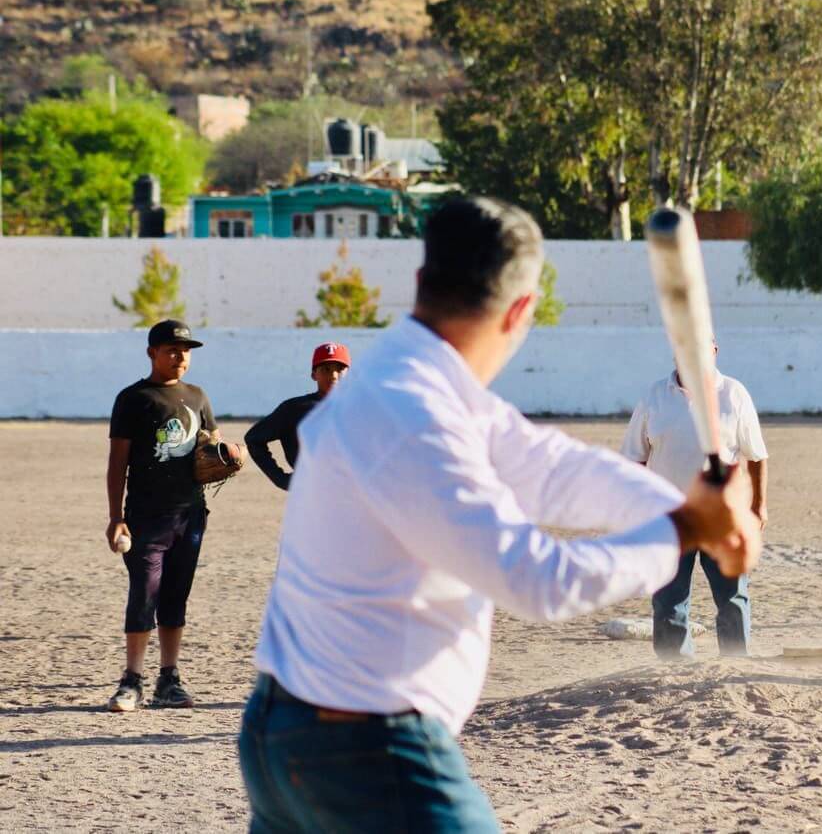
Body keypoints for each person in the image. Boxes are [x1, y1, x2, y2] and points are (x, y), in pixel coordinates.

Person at [237, 197, 761, 832]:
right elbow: (540, 580)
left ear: (422, 283)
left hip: (289, 730)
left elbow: (552, 468)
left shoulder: (410, 379)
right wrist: (686, 531)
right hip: (365, 746)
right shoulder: (414, 412)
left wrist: (698, 512)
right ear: (522, 311)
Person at [621, 345, 768, 658]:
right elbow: (635, 458)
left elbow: (756, 456)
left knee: (732, 596)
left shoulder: (734, 394)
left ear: (714, 350)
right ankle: (674, 670)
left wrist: (758, 506)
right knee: (668, 600)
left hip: (721, 517)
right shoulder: (654, 397)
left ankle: (734, 664)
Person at [105, 319, 220, 711]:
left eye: (185, 350)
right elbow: (117, 461)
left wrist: (227, 457)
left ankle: (168, 680)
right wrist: (115, 516)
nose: (179, 356)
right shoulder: (134, 398)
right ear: (152, 352)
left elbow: (211, 447)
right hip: (145, 517)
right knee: (144, 594)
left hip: (189, 516)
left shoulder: (198, 396)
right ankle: (131, 681)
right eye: (171, 349)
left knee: (175, 597)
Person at [244, 342, 350, 491]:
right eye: (325, 369)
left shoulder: (360, 409)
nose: (333, 375)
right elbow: (254, 439)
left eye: (340, 369)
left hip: (354, 496)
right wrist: (280, 479)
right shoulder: (294, 409)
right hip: (311, 496)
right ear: (314, 374)